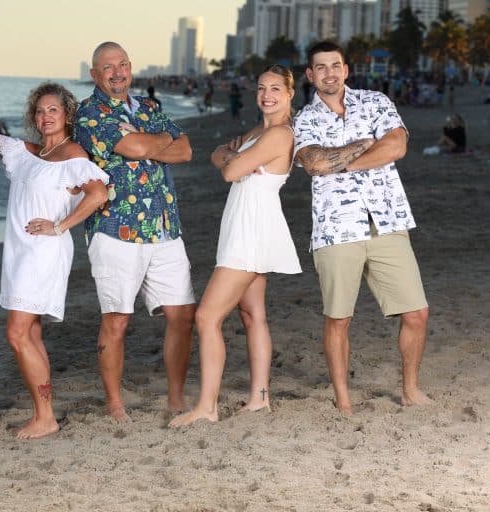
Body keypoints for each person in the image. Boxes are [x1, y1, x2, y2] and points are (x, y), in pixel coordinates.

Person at [292, 41, 430, 416]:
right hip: (336, 228)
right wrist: (362, 144)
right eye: (320, 68)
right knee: (339, 318)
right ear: (310, 75)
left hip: (387, 219)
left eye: (335, 66)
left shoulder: (377, 102)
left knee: (416, 312)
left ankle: (410, 390)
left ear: (346, 69)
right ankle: (344, 399)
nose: (329, 73)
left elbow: (396, 146)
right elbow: (315, 164)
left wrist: (346, 162)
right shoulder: (304, 120)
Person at [169, 65, 302, 428]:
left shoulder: (279, 135)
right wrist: (234, 159)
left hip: (251, 230)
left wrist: (234, 162)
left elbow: (227, 172)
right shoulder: (260, 131)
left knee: (207, 317)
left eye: (276, 88)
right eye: (262, 88)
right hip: (247, 224)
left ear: (290, 94)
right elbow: (219, 154)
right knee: (252, 314)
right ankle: (260, 397)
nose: (267, 95)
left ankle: (207, 407)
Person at [74, 41, 196, 421]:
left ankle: (175, 399)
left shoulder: (149, 107)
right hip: (115, 228)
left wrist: (147, 146)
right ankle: (115, 405)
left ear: (131, 67)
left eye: (122, 64)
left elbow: (186, 149)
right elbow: (134, 144)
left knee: (183, 314)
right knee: (117, 319)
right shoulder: (89, 114)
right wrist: (157, 143)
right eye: (107, 67)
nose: (117, 72)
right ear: (95, 74)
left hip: (164, 226)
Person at [0, 83, 108, 438]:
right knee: (30, 331)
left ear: (67, 116)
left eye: (54, 111)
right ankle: (43, 413)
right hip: (18, 252)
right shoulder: (30, 154)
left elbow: (99, 194)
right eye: (41, 111)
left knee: (16, 333)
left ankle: (45, 416)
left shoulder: (72, 154)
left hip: (42, 252)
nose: (46, 117)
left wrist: (60, 226)